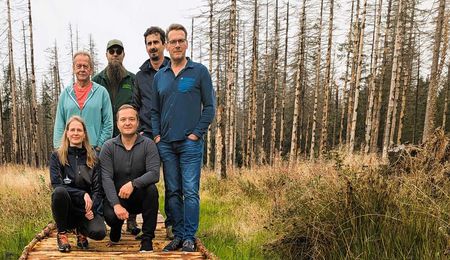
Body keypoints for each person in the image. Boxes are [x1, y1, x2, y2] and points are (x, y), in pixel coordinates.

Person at [151, 23, 216, 252]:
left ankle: (189, 236)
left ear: (186, 43)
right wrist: (158, 136)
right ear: (167, 46)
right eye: (173, 41)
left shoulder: (199, 72)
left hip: (190, 145)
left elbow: (209, 108)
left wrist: (196, 135)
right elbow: (154, 111)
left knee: (190, 190)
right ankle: (177, 234)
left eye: (181, 41)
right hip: (167, 144)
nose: (177, 45)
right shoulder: (160, 76)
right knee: (172, 190)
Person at [92, 39, 140, 235]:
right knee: (104, 176)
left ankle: (132, 218)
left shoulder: (133, 79)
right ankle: (104, 215)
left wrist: (140, 130)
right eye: (111, 51)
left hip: (128, 135)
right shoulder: (96, 80)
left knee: (131, 174)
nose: (115, 54)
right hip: (104, 138)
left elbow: (140, 106)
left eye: (118, 51)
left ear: (123, 54)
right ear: (106, 54)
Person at [100, 104, 160, 252]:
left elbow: (154, 173)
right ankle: (116, 227)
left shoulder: (148, 144)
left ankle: (147, 239)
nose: (127, 123)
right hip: (116, 198)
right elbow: (106, 178)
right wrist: (116, 204)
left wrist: (133, 184)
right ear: (117, 124)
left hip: (139, 197)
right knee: (112, 217)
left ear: (138, 122)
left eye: (132, 119)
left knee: (152, 190)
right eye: (123, 119)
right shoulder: (108, 147)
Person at [132, 26, 173, 240]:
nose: (153, 47)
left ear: (164, 44)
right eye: (149, 43)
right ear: (146, 47)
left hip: (171, 136)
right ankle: (147, 228)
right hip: (147, 134)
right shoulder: (140, 76)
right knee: (146, 180)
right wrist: (138, 133)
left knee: (173, 181)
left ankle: (172, 224)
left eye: (156, 42)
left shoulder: (175, 69)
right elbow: (135, 105)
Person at [50, 116, 106, 252]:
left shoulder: (93, 158)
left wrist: (91, 209)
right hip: (67, 209)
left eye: (79, 130)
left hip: (85, 210)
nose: (76, 133)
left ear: (84, 134)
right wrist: (82, 194)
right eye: (72, 130)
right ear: (67, 133)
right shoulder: (57, 156)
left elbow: (98, 189)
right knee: (59, 192)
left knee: (99, 232)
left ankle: (81, 230)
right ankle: (62, 233)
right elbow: (57, 184)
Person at [53, 51, 113, 150]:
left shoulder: (101, 92)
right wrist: (60, 149)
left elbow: (108, 123)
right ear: (73, 69)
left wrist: (99, 146)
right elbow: (59, 125)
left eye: (85, 66)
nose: (82, 69)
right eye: (79, 66)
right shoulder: (65, 94)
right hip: (70, 150)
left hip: (94, 149)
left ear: (91, 69)